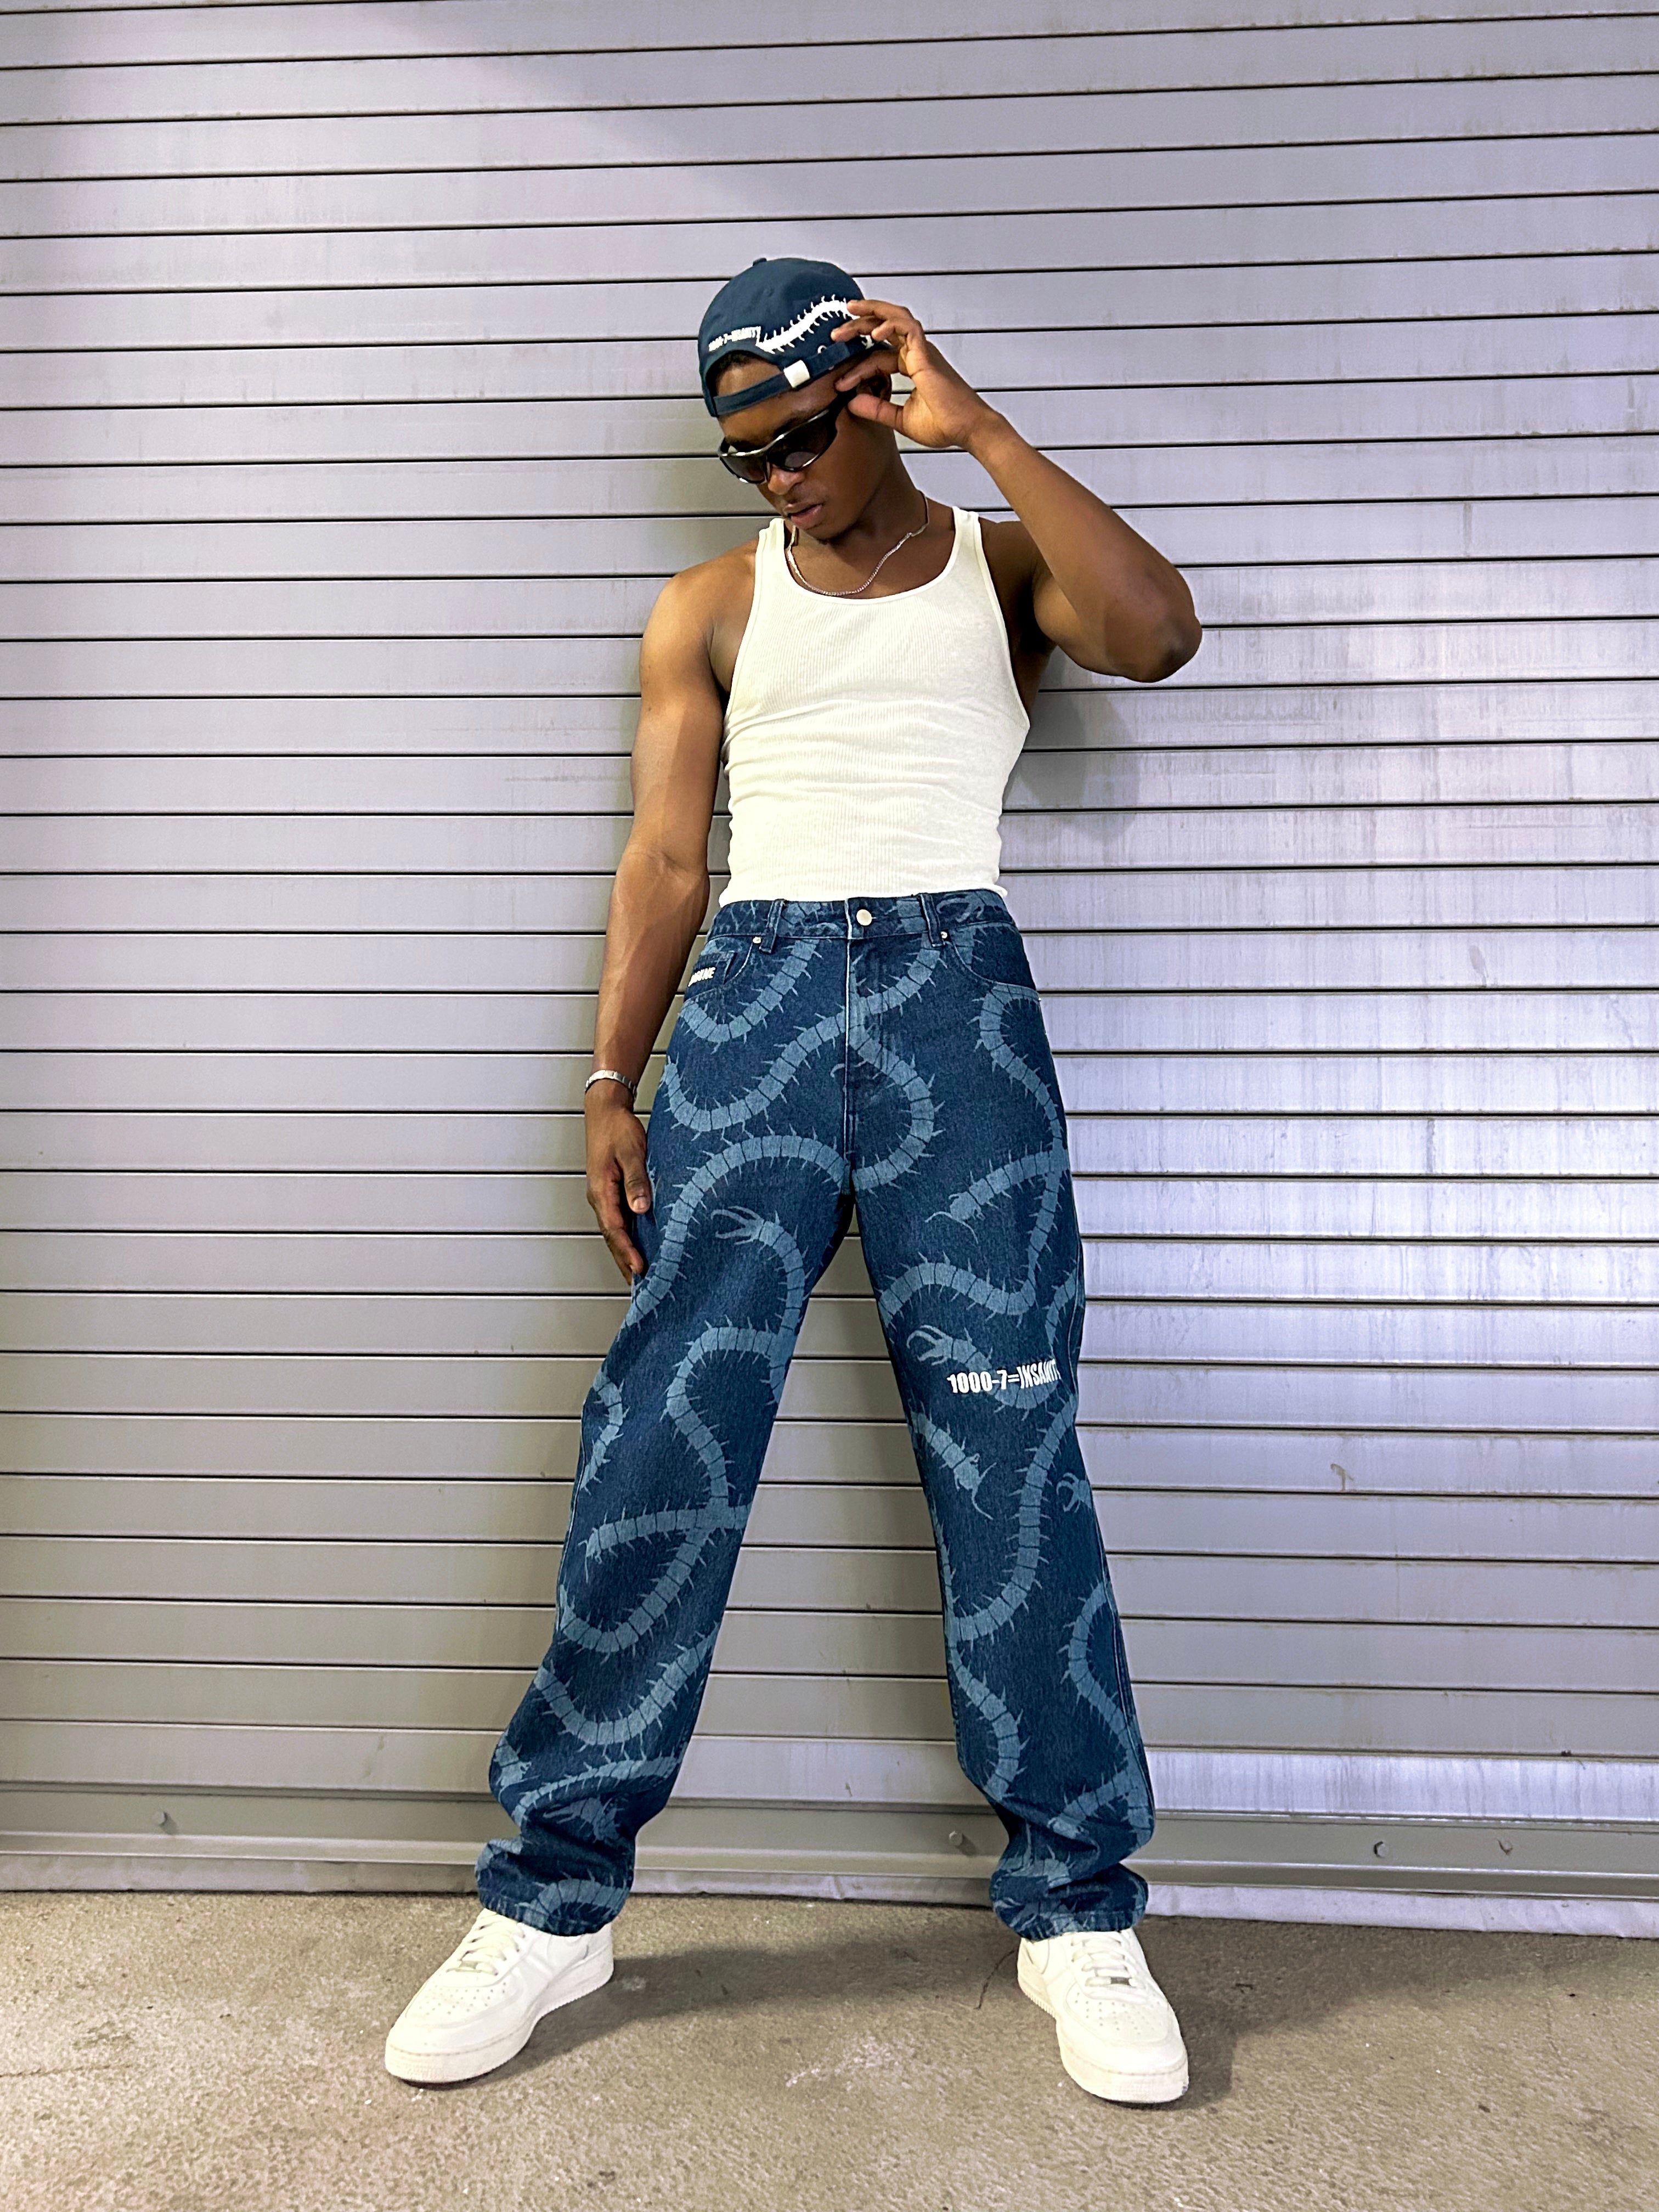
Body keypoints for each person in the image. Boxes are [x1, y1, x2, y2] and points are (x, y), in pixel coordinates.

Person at [384, 257, 1203, 2101]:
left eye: (803, 437)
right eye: (746, 452)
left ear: (874, 394)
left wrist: (983, 430)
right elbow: (668, 860)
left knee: (1010, 1444)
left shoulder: (1003, 567)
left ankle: (1079, 1910)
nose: (780, 476)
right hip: (749, 1018)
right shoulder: (710, 606)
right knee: (661, 1441)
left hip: (955, 1014)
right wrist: (611, 1080)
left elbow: (1156, 637)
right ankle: (553, 1899)